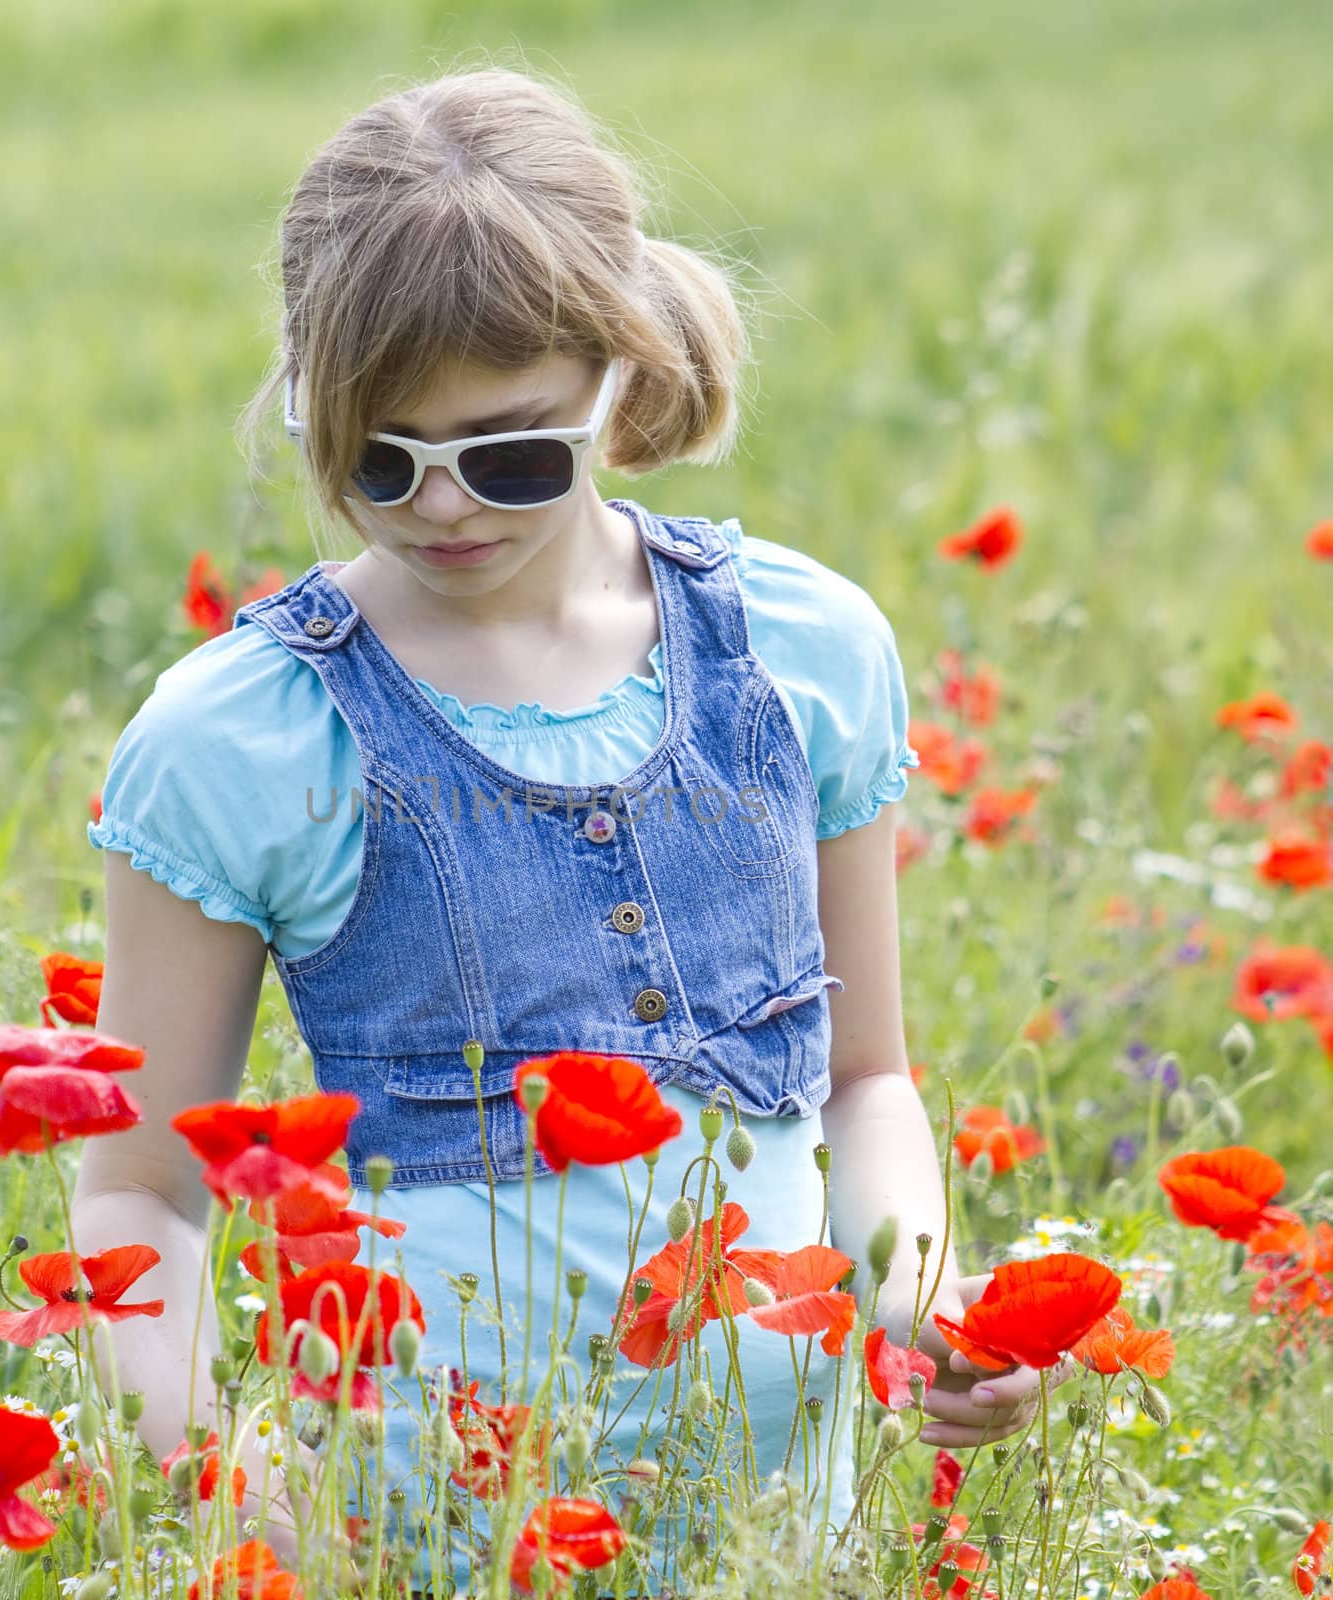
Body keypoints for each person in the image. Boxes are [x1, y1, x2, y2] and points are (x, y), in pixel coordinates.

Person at [72, 63, 1056, 1589]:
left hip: (776, 1519)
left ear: (622, 368)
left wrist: (917, 1299)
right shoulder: (247, 739)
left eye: (509, 452)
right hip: (426, 1529)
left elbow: (865, 1086)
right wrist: (226, 1470)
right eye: (374, 459)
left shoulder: (798, 652)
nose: (440, 509)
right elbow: (135, 1190)